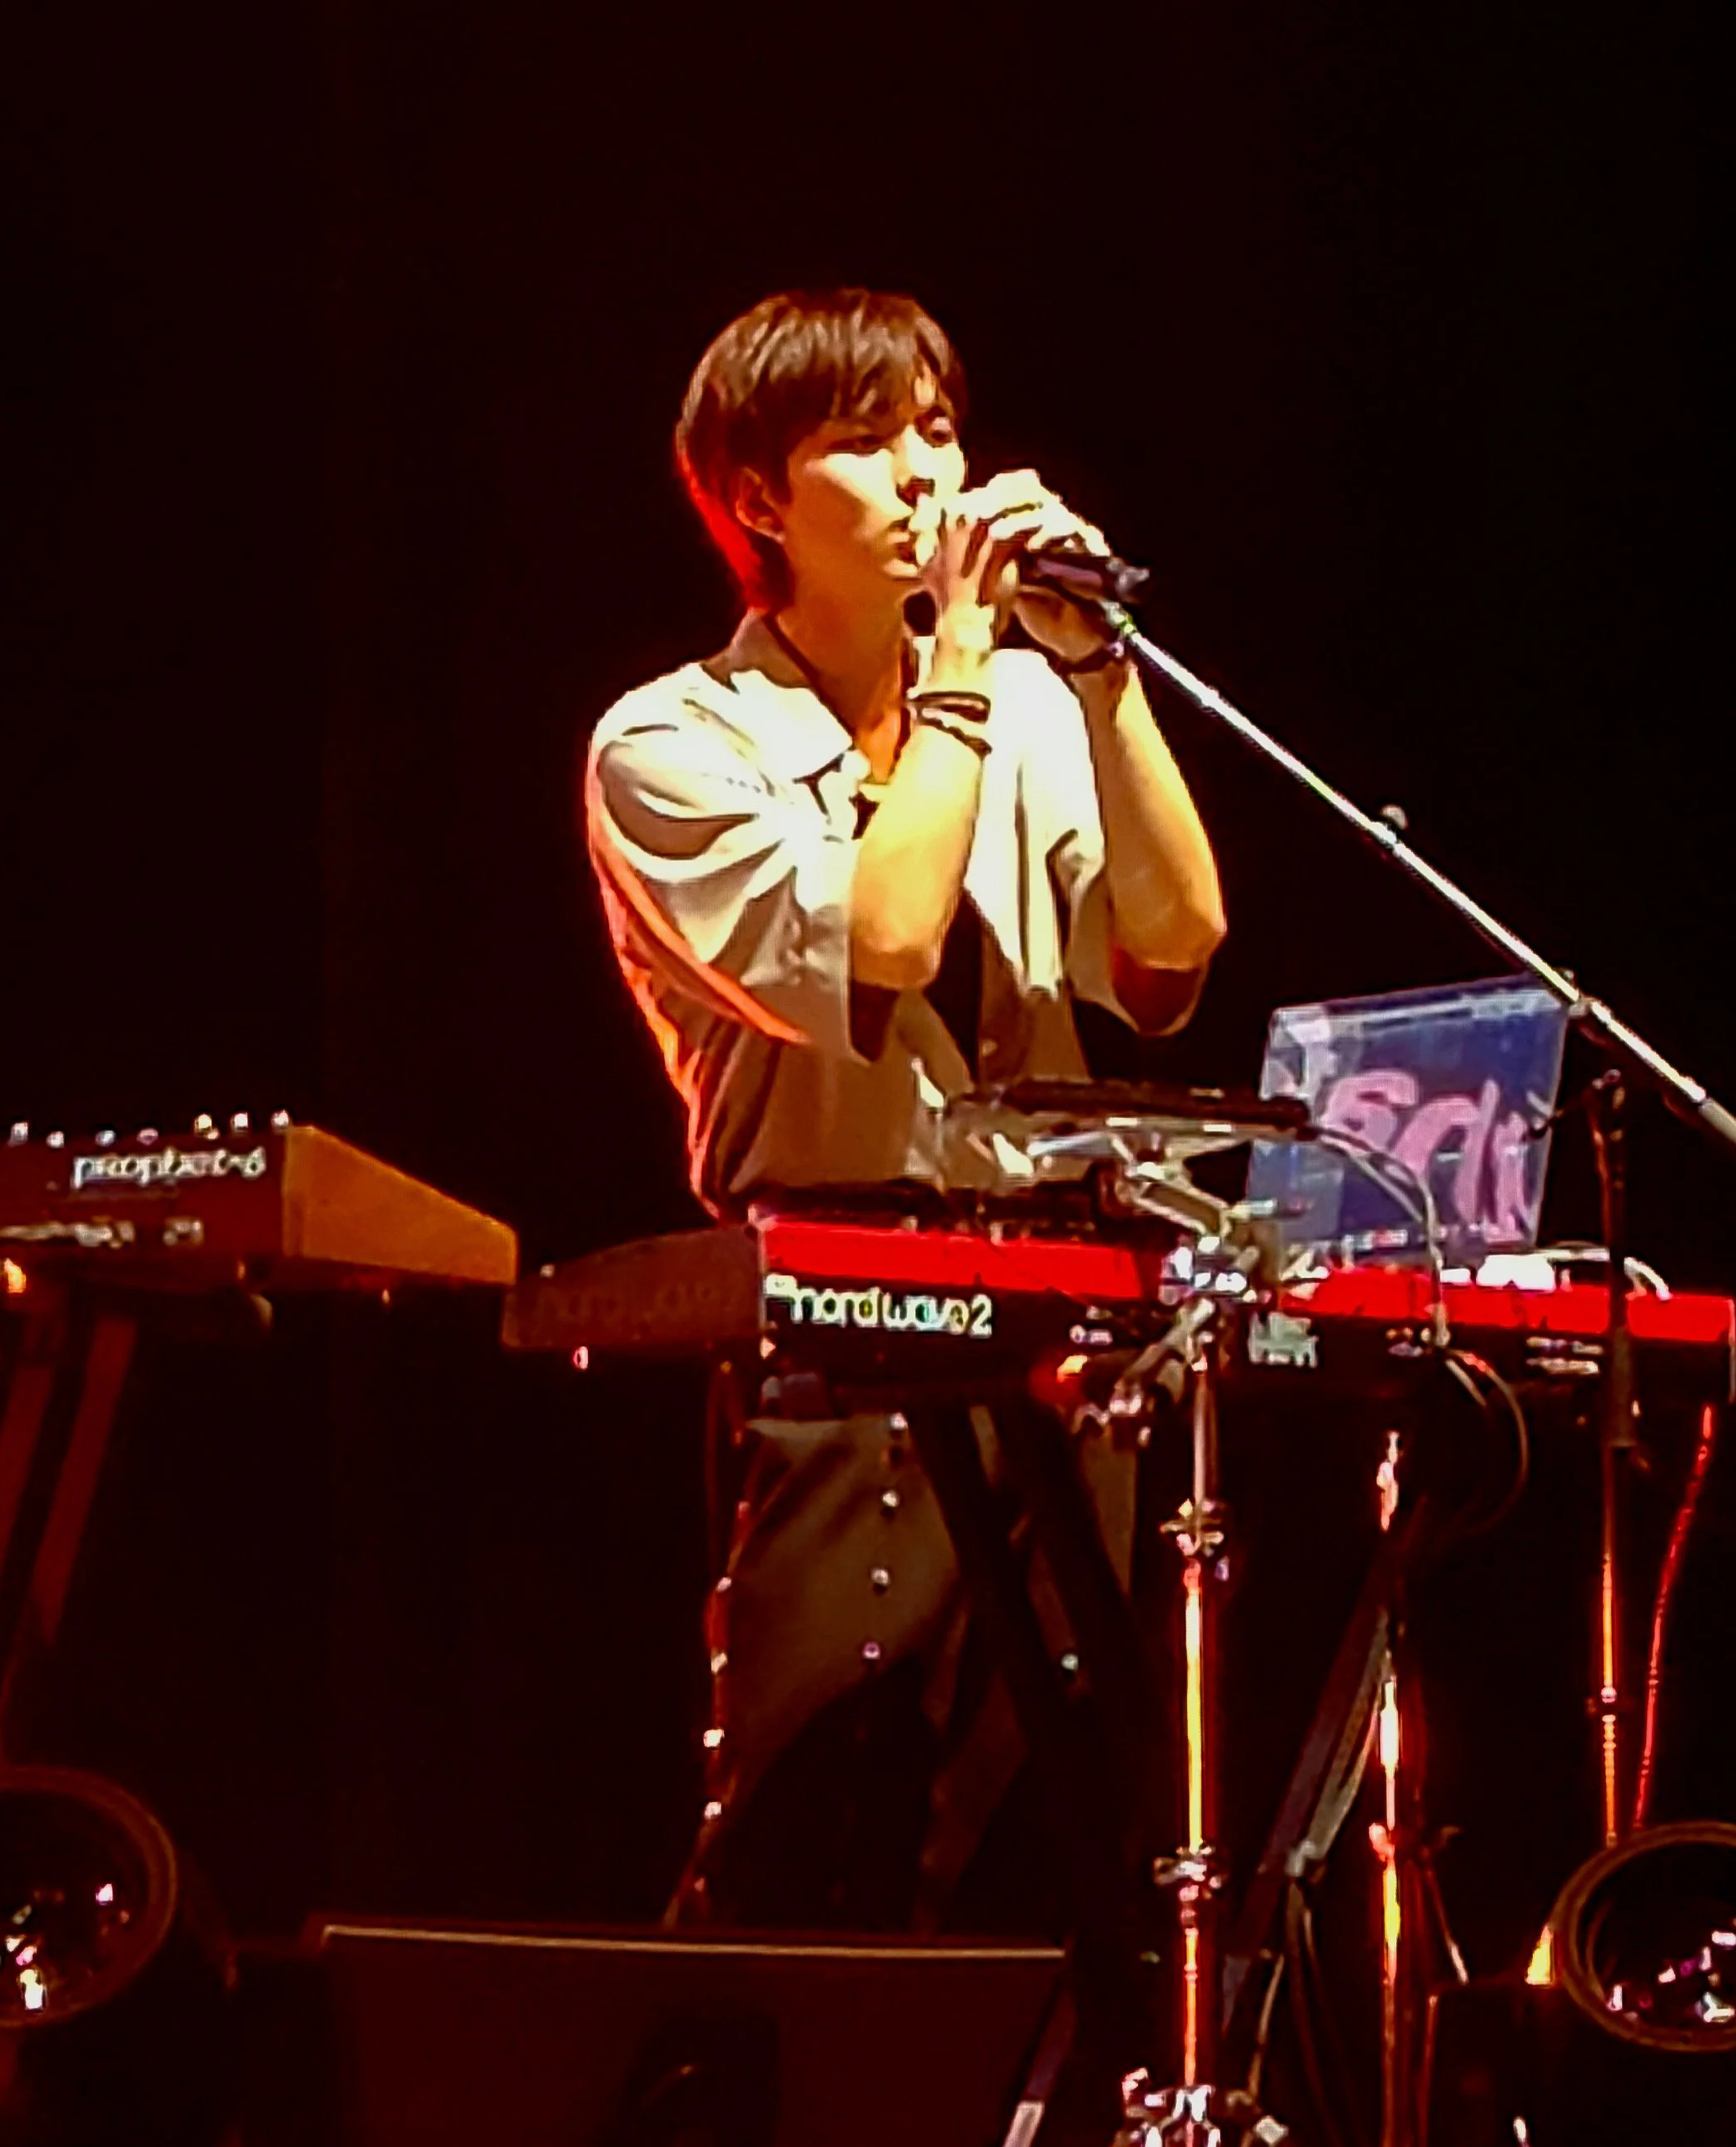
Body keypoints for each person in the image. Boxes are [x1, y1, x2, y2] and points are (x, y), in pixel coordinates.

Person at [584, 288, 1226, 1937]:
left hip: (1054, 1319)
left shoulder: (1026, 707)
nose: (926, 474)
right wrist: (956, 673)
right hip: (838, 1332)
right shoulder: (671, 742)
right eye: (866, 443)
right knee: (821, 1836)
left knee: (1056, 1853)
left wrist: (1100, 678)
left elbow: (1175, 950)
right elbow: (880, 941)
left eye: (937, 430)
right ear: (757, 499)